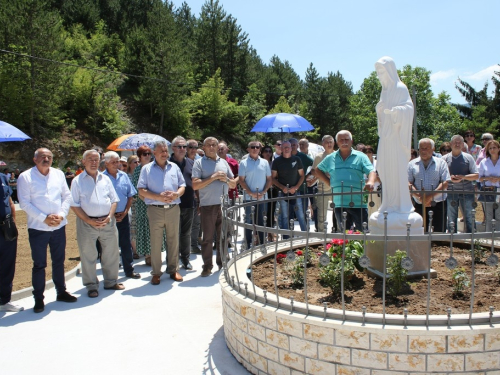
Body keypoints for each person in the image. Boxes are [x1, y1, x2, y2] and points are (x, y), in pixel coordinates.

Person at [17, 148, 77, 313]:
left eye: (49, 157)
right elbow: (24, 203)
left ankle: (61, 292)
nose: (46, 159)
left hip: (58, 226)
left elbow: (67, 196)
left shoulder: (58, 174)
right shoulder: (26, 177)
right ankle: (38, 299)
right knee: (39, 264)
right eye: (42, 156)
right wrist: (44, 218)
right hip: (38, 228)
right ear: (35, 159)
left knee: (59, 261)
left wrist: (61, 215)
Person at [70, 150, 124, 298]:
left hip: (107, 221)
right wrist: (89, 220)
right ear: (83, 162)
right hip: (87, 222)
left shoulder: (105, 179)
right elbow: (74, 204)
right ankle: (91, 285)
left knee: (111, 253)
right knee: (88, 255)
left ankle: (111, 281)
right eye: (90, 159)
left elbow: (114, 200)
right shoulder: (77, 181)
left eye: (96, 159)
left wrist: (109, 217)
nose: (94, 162)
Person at [137, 141, 185, 285]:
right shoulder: (146, 169)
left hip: (173, 209)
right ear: (154, 153)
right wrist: (159, 197)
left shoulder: (174, 167)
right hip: (155, 209)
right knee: (156, 242)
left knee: (173, 240)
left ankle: (173, 269)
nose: (165, 153)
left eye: (166, 150)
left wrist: (176, 194)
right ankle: (156, 273)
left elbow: (182, 185)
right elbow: (141, 190)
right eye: (161, 151)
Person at [374, 56, 415, 216]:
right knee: (384, 169)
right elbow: (381, 117)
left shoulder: (400, 88)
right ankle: (388, 203)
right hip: (385, 139)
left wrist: (397, 111)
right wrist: (380, 110)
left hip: (396, 140)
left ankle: (401, 205)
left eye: (381, 72)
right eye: (378, 73)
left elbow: (409, 108)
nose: (379, 76)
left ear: (389, 71)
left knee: (396, 171)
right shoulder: (384, 91)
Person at [192, 137, 237, 277]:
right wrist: (213, 177)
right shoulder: (198, 163)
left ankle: (222, 262)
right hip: (208, 205)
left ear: (218, 147)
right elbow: (195, 185)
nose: (211, 147)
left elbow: (234, 183)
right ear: (204, 148)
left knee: (223, 236)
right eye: (208, 145)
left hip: (224, 204)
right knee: (207, 238)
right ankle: (207, 266)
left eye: (214, 145)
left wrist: (227, 180)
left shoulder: (224, 162)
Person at [315, 130, 376, 231]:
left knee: (362, 233)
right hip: (339, 203)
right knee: (345, 234)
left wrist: (371, 182)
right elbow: (317, 170)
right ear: (337, 142)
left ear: (351, 142)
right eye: (341, 140)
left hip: (358, 202)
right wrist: (328, 182)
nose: (344, 142)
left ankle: (363, 247)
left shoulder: (361, 156)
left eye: (346, 139)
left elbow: (371, 171)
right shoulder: (330, 158)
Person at [103, 151, 140, 279]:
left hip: (123, 215)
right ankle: (111, 275)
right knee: (109, 247)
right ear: (106, 163)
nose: (116, 164)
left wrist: (125, 212)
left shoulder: (123, 176)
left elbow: (131, 195)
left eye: (118, 161)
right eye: (113, 162)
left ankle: (129, 270)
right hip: (107, 217)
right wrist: (110, 215)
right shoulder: (101, 178)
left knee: (125, 244)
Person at [131, 146, 165, 266]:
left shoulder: (154, 168)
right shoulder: (137, 170)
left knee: (157, 229)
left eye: (149, 154)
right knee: (146, 229)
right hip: (143, 204)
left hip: (156, 202)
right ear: (139, 157)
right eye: (144, 154)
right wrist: (148, 200)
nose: (147, 156)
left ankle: (157, 254)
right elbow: (137, 189)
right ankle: (148, 255)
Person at [408, 139, 450, 232]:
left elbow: (445, 182)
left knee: (439, 232)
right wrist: (419, 196)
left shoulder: (441, 163)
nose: (423, 151)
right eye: (421, 148)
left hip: (438, 202)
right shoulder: (412, 164)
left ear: (433, 149)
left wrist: (430, 197)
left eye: (426, 148)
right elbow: (408, 182)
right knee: (420, 231)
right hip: (419, 203)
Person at [442, 135, 479, 233]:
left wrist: (463, 177)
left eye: (459, 142)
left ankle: (472, 240)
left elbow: (476, 175)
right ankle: (451, 240)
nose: (457, 144)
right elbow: (440, 176)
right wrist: (451, 179)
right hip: (450, 192)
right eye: (455, 142)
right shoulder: (444, 159)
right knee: (451, 218)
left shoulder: (469, 158)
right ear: (450, 144)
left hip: (467, 191)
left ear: (463, 145)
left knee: (470, 217)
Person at [239, 140, 272, 248]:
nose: (255, 149)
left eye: (257, 147)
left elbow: (269, 179)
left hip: (262, 197)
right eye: (252, 147)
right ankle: (248, 245)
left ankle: (262, 244)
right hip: (249, 198)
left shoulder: (265, 162)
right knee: (248, 222)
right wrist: (250, 193)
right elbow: (241, 180)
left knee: (262, 221)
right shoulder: (243, 163)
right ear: (248, 149)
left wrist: (264, 191)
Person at [271, 140, 307, 238]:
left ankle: (306, 235)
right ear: (281, 149)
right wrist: (282, 187)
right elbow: (273, 178)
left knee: (300, 215)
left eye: (288, 147)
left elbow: (302, 175)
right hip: (283, 192)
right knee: (285, 216)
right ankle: (286, 238)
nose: (286, 149)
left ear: (291, 148)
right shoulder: (276, 161)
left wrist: (295, 187)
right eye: (284, 147)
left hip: (296, 191)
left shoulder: (297, 159)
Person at [170, 136, 195, 270]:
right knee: (173, 234)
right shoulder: (167, 163)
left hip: (189, 204)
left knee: (186, 234)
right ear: (173, 148)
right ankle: (172, 261)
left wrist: (199, 201)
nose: (182, 149)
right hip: (172, 205)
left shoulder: (191, 163)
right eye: (179, 146)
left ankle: (185, 259)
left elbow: (195, 183)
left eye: (184, 146)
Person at [0, 170, 23, 312]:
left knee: (7, 265)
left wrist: (13, 223)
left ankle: (4, 300)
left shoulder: (2, 177)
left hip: (5, 229)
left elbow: (9, 201)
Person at [310, 135, 336, 233]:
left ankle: (338, 232)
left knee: (338, 212)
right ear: (323, 144)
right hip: (322, 188)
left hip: (336, 188)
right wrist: (322, 174)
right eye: (327, 142)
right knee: (321, 215)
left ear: (334, 143)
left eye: (331, 142)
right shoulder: (319, 156)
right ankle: (321, 233)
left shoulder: (338, 155)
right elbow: (313, 171)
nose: (329, 144)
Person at [478, 140, 500, 231]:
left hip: (499, 190)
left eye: (494, 147)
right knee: (488, 215)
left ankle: (498, 237)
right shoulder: (484, 162)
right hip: (488, 190)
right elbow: (479, 178)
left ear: (499, 149)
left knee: (499, 214)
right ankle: (488, 235)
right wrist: (489, 178)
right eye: (490, 148)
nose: (492, 150)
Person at [187, 139, 202, 254]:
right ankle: (185, 247)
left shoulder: (199, 162)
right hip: (185, 197)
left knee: (196, 223)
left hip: (197, 197)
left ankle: (194, 245)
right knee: (186, 224)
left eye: (195, 147)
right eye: (190, 147)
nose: (193, 150)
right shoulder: (183, 162)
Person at [260, 145, 277, 240]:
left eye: (270, 151)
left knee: (271, 212)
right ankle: (260, 234)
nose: (268, 153)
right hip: (261, 189)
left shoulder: (274, 163)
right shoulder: (259, 163)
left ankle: (270, 233)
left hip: (272, 190)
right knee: (261, 212)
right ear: (262, 153)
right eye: (265, 151)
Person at [126, 155, 140, 259]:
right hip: (132, 204)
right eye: (135, 162)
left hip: (142, 203)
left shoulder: (141, 175)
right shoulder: (126, 176)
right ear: (129, 164)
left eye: (138, 162)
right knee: (133, 228)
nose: (137, 164)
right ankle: (135, 250)